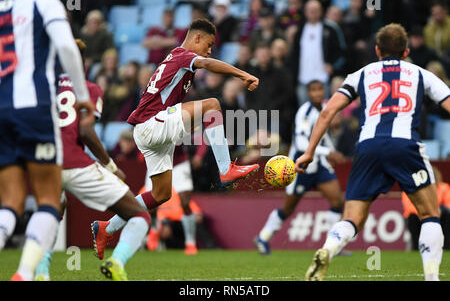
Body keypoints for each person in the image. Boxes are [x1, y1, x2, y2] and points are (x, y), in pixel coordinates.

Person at [91, 19, 261, 260]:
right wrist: (242, 74)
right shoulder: (182, 54)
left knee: (161, 194)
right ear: (197, 38)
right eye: (209, 44)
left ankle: (108, 227)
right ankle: (226, 169)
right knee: (213, 105)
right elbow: (207, 63)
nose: (210, 49)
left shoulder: (175, 60)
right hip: (152, 125)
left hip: (149, 132)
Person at [296, 23, 450, 281]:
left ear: (377, 50)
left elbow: (326, 113)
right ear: (406, 51)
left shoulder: (361, 74)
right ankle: (432, 278)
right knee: (430, 214)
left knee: (352, 218)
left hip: (367, 146)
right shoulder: (421, 73)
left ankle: (327, 249)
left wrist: (309, 152)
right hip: (405, 146)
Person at [0, 0, 95, 281]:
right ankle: (26, 273)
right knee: (48, 198)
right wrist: (82, 97)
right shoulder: (45, 4)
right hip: (36, 110)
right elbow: (67, 46)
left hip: (1, 112)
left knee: (10, 200)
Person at [34, 39, 150, 282]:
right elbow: (86, 133)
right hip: (75, 164)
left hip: (44, 163)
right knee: (140, 215)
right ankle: (116, 262)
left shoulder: (40, 86)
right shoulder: (88, 89)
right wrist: (110, 165)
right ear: (82, 62)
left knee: (51, 212)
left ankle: (41, 272)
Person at [254, 80, 346, 255]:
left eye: (320, 89)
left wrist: (332, 152)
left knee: (337, 201)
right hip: (300, 166)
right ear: (308, 93)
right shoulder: (304, 112)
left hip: (319, 165)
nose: (317, 93)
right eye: (313, 90)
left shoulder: (326, 108)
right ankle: (263, 237)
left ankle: (332, 245)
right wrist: (328, 152)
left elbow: (323, 136)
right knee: (288, 209)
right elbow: (303, 143)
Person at [402, 166, 450, 250]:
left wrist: (436, 211)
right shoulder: (410, 188)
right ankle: (417, 249)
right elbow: (409, 208)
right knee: (412, 217)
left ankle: (446, 248)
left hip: (438, 216)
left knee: (446, 214)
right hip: (419, 217)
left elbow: (448, 205)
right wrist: (427, 212)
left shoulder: (444, 187)